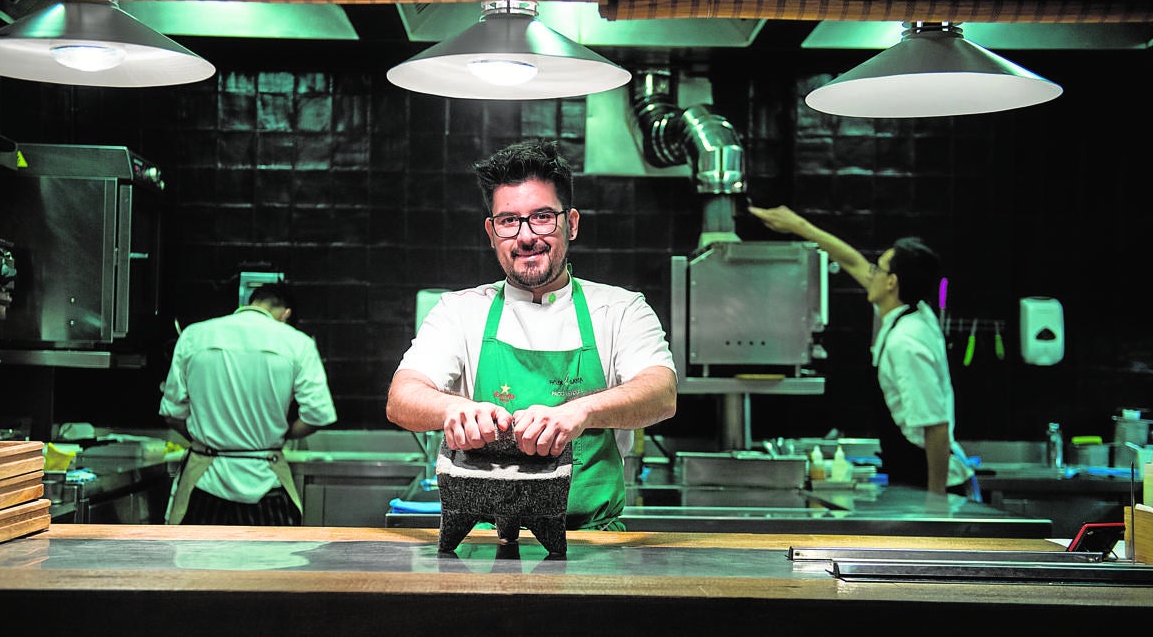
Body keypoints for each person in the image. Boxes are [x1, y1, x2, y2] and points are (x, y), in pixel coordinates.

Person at [386, 140, 678, 531]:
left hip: (594, 548)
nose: (526, 236)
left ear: (571, 223)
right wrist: (451, 410)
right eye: (509, 220)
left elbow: (662, 393)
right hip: (484, 546)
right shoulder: (460, 311)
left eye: (542, 217)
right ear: (492, 232)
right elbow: (401, 397)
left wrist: (580, 411)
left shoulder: (621, 309)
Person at [747, 204, 974, 497]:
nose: (870, 273)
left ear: (892, 283)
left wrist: (936, 503)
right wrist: (799, 225)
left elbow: (937, 427)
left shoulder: (905, 342)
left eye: (878, 268)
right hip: (911, 474)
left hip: (932, 481)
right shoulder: (914, 312)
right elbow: (851, 261)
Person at [160, 282, 337, 525]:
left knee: (197, 561)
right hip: (265, 482)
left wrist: (207, 442)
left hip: (205, 480)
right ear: (286, 314)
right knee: (269, 562)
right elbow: (318, 414)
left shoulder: (194, 335)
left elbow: (172, 414)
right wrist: (280, 437)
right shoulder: (298, 343)